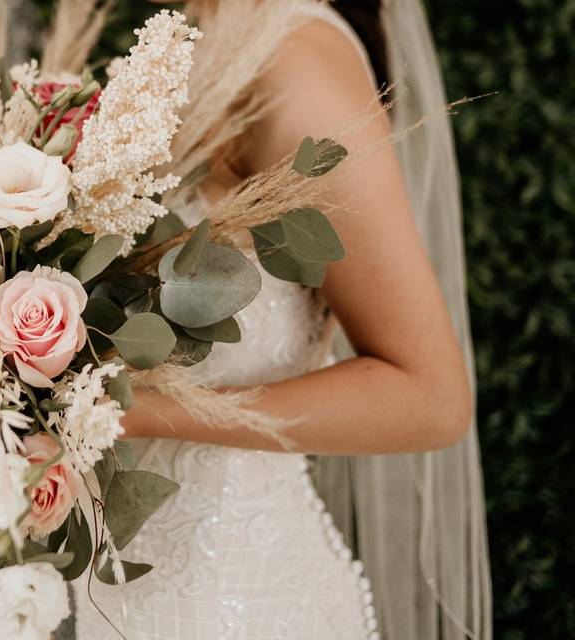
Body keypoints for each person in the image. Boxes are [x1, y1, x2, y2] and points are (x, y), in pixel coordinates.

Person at [69, 0, 491, 638]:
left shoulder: (294, 61)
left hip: (234, 597)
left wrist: (113, 413)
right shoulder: (192, 39)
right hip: (124, 593)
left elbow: (430, 395)